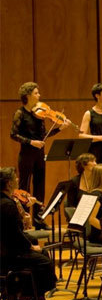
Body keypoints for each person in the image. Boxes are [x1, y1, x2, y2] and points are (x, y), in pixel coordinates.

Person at [1, 167, 57, 300]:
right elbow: (14, 234)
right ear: (8, 184)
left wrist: (32, 241)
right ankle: (24, 297)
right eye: (15, 179)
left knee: (43, 253)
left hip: (8, 248)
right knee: (45, 262)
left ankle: (39, 297)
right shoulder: (7, 205)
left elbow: (15, 231)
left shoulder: (5, 201)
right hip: (9, 253)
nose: (18, 180)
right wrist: (30, 247)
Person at [10, 82, 72, 215]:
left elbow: (44, 135)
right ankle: (24, 218)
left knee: (40, 186)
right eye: (36, 93)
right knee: (24, 187)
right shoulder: (20, 113)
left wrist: (60, 128)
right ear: (27, 96)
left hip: (39, 154)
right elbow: (13, 135)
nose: (39, 95)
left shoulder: (40, 114)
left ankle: (38, 219)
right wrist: (31, 142)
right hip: (26, 154)